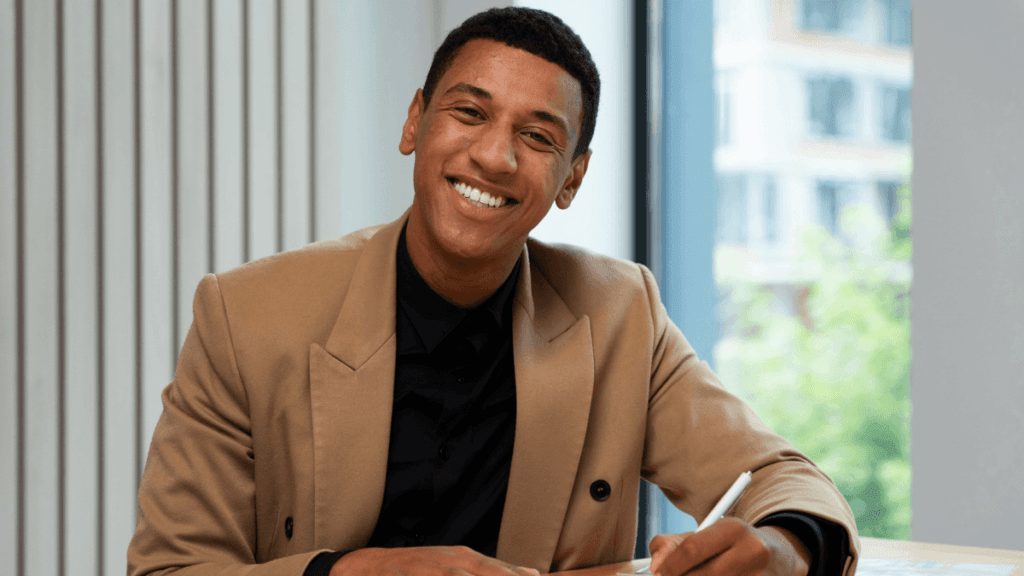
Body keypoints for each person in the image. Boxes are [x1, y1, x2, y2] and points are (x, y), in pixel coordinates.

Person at [128, 7, 859, 576]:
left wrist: (783, 550)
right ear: (414, 121)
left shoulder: (620, 313)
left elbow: (781, 478)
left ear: (572, 178)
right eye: (470, 113)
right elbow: (170, 567)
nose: (495, 155)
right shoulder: (245, 315)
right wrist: (351, 571)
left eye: (538, 137)